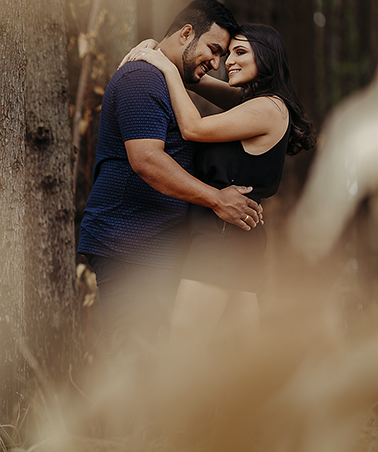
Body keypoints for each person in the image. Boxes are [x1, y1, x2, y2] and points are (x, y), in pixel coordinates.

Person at [78, 0, 263, 355]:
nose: (217, 63)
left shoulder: (166, 77)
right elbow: (147, 161)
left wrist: (165, 60)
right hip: (128, 247)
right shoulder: (140, 78)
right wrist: (217, 198)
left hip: (162, 250)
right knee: (133, 363)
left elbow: (249, 103)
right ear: (186, 33)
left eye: (223, 56)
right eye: (213, 49)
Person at [123, 23, 314, 348]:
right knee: (240, 354)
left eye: (241, 53)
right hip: (232, 233)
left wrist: (164, 66)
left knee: (183, 342)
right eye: (227, 54)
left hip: (223, 235)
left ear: (265, 59)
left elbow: (193, 128)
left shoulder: (268, 107)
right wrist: (161, 51)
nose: (228, 62)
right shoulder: (252, 101)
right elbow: (195, 80)